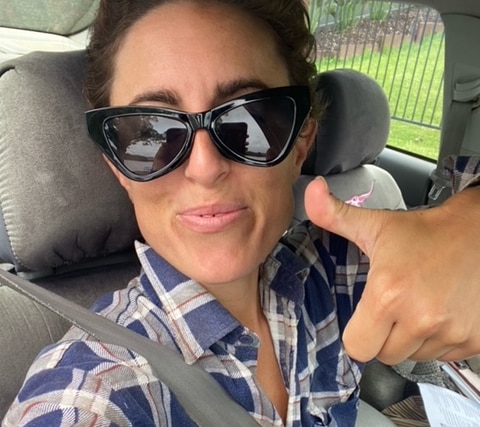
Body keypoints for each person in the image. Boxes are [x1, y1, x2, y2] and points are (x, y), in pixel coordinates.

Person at [4, 0, 480, 426]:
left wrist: (469, 220)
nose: (206, 168)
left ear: (300, 144)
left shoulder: (332, 271)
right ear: (120, 168)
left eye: (249, 120)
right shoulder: (95, 387)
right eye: (150, 133)